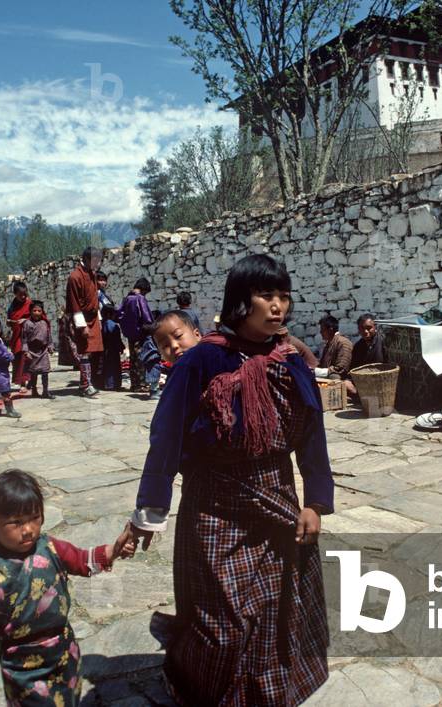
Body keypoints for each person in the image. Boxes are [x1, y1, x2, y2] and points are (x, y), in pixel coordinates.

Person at [129, 254, 333, 706]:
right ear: (241, 302)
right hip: (215, 506)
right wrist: (149, 510)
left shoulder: (292, 361)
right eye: (266, 295)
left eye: (283, 295)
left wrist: (314, 503)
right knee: (221, 623)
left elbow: (312, 437)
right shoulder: (202, 361)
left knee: (272, 611)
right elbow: (166, 436)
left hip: (277, 502)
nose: (278, 306)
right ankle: (194, 682)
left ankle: (262, 691)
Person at [0, 469, 135, 705]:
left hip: (64, 654)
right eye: (16, 522)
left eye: (34, 518)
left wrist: (114, 550)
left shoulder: (51, 548)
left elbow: (82, 560)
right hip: (22, 667)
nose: (28, 529)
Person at [65, 247, 104, 397]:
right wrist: (82, 325)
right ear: (86, 259)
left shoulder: (91, 274)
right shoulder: (75, 277)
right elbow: (74, 303)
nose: (97, 264)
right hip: (82, 318)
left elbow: (93, 298)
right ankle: (85, 385)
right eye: (95, 261)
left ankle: (87, 383)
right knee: (85, 352)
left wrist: (98, 319)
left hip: (93, 318)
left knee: (92, 352)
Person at [117, 278, 155, 392]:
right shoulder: (140, 299)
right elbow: (146, 317)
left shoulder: (127, 299)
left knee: (133, 359)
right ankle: (142, 384)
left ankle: (134, 384)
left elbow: (119, 314)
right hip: (140, 333)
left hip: (130, 334)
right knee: (141, 359)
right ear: (144, 289)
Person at [345, 313, 386, 397]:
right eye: (362, 328)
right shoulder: (358, 346)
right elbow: (353, 368)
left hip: (381, 382)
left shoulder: (383, 342)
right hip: (364, 383)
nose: (365, 332)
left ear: (375, 327)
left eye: (369, 328)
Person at [22, 300, 54, 398]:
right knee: (34, 373)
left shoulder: (44, 323)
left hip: (43, 351)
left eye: (39, 311)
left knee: (45, 372)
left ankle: (45, 391)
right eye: (34, 310)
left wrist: (50, 346)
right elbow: (24, 339)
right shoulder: (27, 324)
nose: (36, 313)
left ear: (42, 312)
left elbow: (49, 336)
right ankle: (34, 391)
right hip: (32, 351)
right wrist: (26, 351)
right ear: (30, 311)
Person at [6, 281, 32, 393]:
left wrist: (26, 320)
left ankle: (29, 381)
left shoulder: (30, 303)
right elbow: (9, 318)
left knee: (27, 359)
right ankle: (22, 382)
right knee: (19, 359)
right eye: (20, 294)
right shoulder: (12, 306)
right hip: (17, 336)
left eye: (24, 293)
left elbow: (39, 316)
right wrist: (9, 322)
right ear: (15, 294)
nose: (23, 296)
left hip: (29, 336)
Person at [313, 314, 353, 380]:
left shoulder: (343, 343)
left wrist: (318, 371)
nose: (320, 332)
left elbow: (341, 368)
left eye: (322, 330)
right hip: (328, 378)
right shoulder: (328, 344)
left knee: (334, 376)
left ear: (330, 330)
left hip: (342, 380)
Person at [100, 304, 125, 391]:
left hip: (104, 349)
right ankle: (114, 384)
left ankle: (107, 384)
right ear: (109, 314)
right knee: (114, 367)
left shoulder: (101, 324)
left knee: (106, 367)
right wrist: (121, 347)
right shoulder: (114, 325)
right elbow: (117, 339)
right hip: (113, 350)